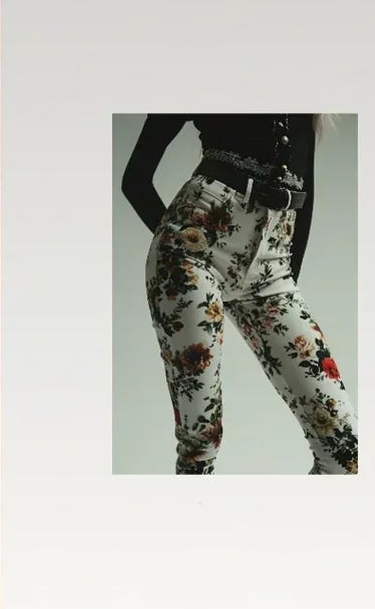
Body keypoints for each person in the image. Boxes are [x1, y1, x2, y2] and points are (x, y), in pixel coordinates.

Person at [121, 114, 358, 476]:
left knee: (343, 447)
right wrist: (181, 246)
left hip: (272, 265)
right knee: (201, 441)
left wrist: (284, 276)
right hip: (193, 250)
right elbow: (135, 179)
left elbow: (305, 193)